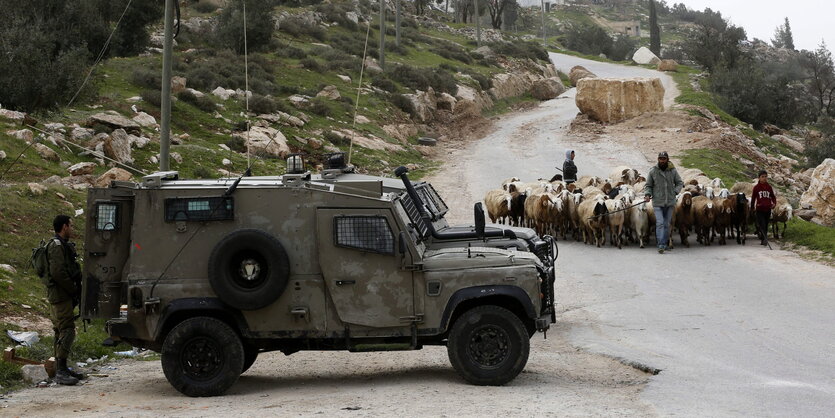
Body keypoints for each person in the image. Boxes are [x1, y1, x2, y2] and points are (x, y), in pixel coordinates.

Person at [46, 215, 84, 385]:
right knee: (67, 329)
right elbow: (58, 272)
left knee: (60, 330)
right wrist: (73, 289)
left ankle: (61, 368)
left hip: (63, 294)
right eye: (70, 225)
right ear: (64, 226)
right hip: (60, 295)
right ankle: (60, 370)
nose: (72, 229)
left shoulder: (62, 245)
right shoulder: (56, 246)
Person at [644, 151, 683, 254]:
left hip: (670, 202)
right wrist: (647, 195)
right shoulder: (653, 171)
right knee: (660, 223)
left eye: (664, 158)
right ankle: (660, 244)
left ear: (667, 159)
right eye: (660, 158)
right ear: (658, 159)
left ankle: (665, 243)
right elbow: (648, 185)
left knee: (667, 224)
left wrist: (675, 191)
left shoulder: (673, 171)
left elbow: (679, 183)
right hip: (657, 201)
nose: (662, 160)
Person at [750, 170, 777, 245]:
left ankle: (763, 238)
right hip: (760, 209)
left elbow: (773, 197)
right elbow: (753, 198)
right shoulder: (756, 188)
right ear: (759, 178)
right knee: (762, 224)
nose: (764, 178)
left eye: (765, 177)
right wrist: (752, 208)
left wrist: (774, 203)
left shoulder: (769, 187)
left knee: (766, 224)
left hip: (768, 209)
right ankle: (765, 239)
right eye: (762, 177)